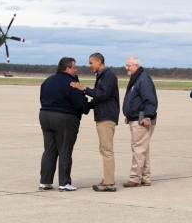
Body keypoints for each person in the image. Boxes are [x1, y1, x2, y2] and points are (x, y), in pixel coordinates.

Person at [70, 53, 120, 192]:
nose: (89, 65)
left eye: (91, 63)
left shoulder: (108, 76)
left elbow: (102, 94)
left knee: (106, 150)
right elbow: (99, 98)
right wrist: (85, 106)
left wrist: (84, 89)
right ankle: (107, 179)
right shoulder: (102, 76)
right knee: (104, 149)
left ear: (99, 61)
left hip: (106, 118)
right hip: (103, 116)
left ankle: (109, 183)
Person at [39, 57, 90, 192]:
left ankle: (45, 181)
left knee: (49, 150)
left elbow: (42, 99)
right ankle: (64, 182)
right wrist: (89, 105)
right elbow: (81, 105)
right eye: (74, 67)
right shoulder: (72, 83)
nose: (76, 69)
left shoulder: (47, 81)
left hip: (45, 115)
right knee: (65, 149)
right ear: (68, 68)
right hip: (64, 117)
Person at [122, 56, 158, 187]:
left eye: (128, 65)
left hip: (141, 120)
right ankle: (145, 177)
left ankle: (135, 178)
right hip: (135, 118)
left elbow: (150, 99)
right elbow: (134, 99)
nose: (126, 68)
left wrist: (147, 116)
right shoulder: (136, 79)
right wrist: (129, 114)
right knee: (143, 149)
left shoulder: (143, 79)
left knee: (138, 149)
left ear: (136, 66)